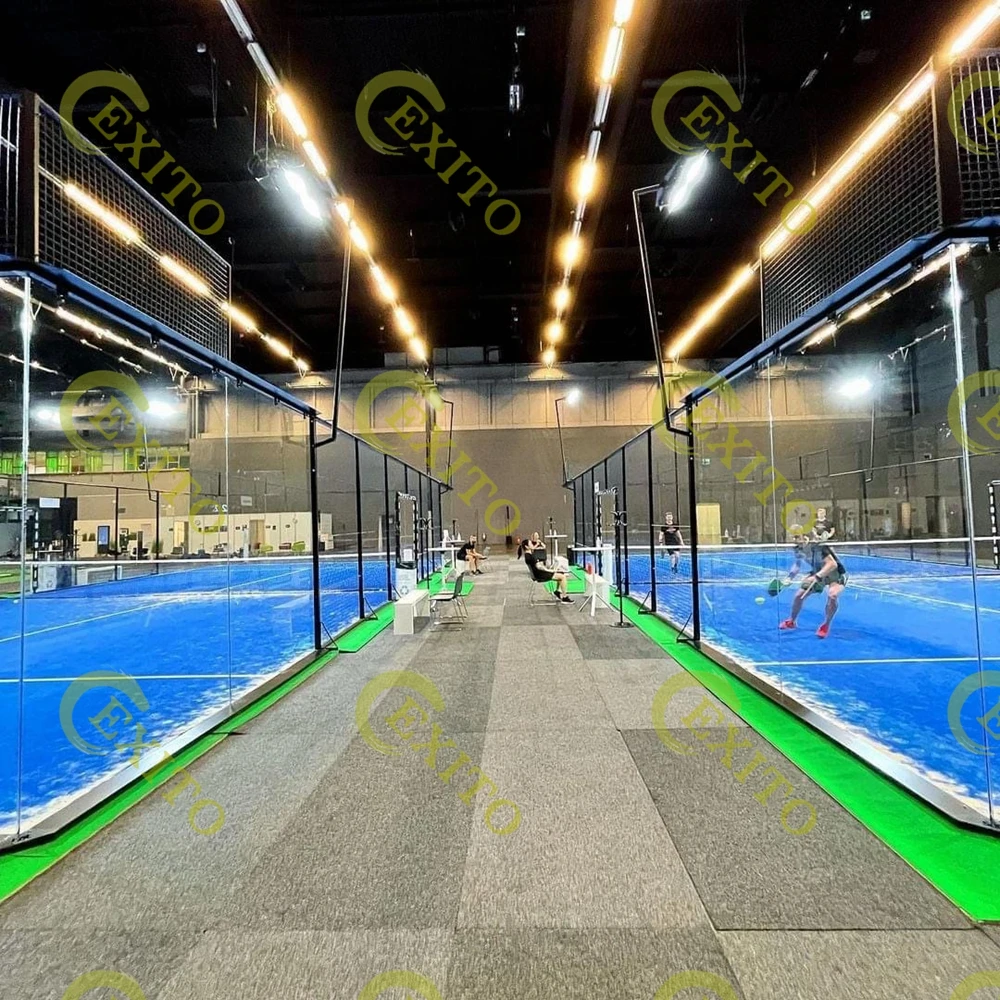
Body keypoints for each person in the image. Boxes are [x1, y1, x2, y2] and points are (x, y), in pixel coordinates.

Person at [779, 537, 848, 638]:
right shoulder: (798, 548)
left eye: (798, 536)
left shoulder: (819, 547)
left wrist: (817, 577)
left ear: (805, 536)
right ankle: (792, 621)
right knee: (799, 595)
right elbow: (797, 565)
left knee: (832, 595)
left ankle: (826, 625)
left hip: (836, 574)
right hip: (819, 573)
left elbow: (832, 564)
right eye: (794, 537)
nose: (795, 539)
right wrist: (789, 578)